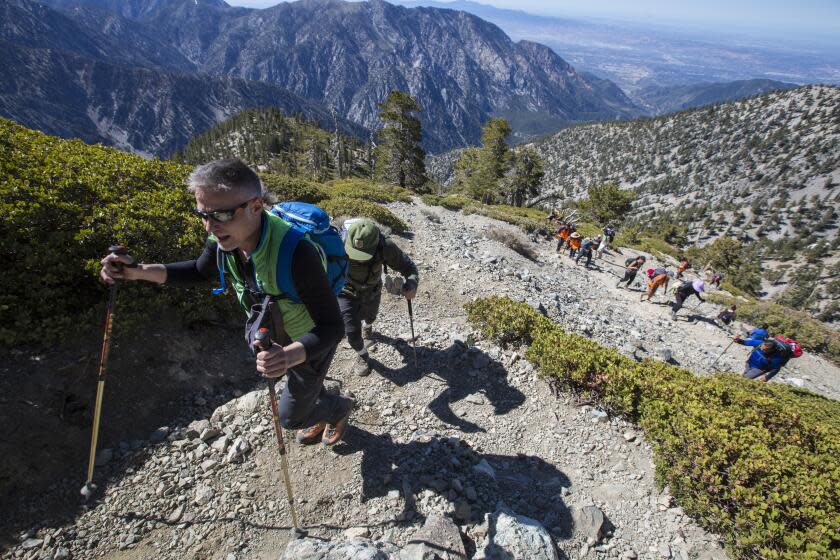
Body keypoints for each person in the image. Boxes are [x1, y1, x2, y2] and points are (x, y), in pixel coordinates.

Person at [99, 159, 353, 446]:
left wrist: (288, 356)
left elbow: (332, 327)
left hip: (309, 341)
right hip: (278, 335)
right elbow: (198, 271)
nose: (210, 227)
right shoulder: (226, 239)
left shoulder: (297, 253)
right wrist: (137, 272)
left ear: (255, 206)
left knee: (290, 418)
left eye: (220, 214)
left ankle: (338, 407)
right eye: (203, 215)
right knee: (302, 386)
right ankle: (317, 399)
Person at [339, 219, 419, 377]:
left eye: (364, 255)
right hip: (345, 291)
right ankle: (363, 355)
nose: (359, 258)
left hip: (372, 289)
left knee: (371, 316)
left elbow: (408, 267)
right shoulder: (338, 244)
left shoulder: (385, 246)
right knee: (351, 332)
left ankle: (368, 327)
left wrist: (412, 283)